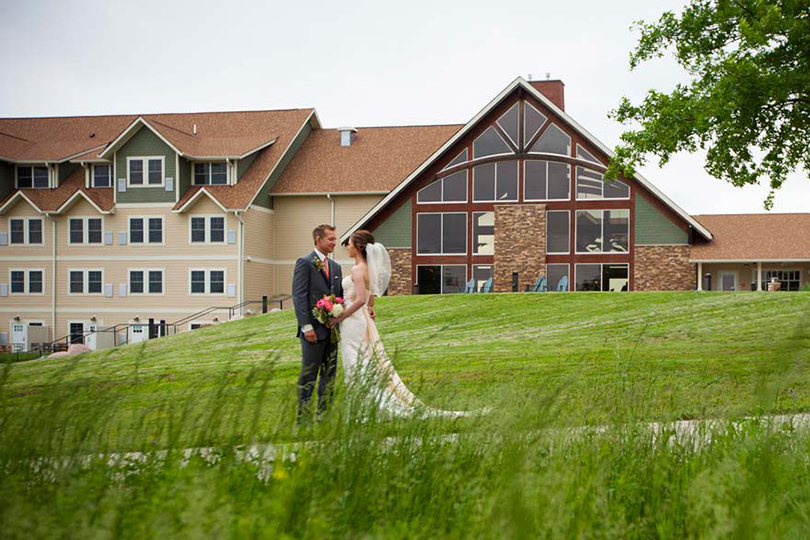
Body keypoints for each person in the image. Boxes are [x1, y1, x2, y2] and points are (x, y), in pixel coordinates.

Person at [328, 230, 471, 419]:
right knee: (366, 360)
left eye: (351, 243)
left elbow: (361, 299)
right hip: (362, 320)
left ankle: (362, 408)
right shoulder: (370, 269)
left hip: (353, 322)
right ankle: (365, 403)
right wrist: (367, 309)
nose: (348, 246)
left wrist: (339, 316)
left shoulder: (356, 270)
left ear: (359, 247)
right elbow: (370, 302)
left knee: (356, 362)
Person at [292, 224, 344, 425]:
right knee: (309, 374)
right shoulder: (305, 263)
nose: (334, 242)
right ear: (318, 240)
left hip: (332, 331)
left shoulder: (336, 267)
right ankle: (302, 419)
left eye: (334, 239)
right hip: (312, 331)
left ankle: (324, 417)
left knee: (329, 375)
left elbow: (338, 297)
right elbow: (299, 296)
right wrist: (306, 326)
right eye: (330, 239)